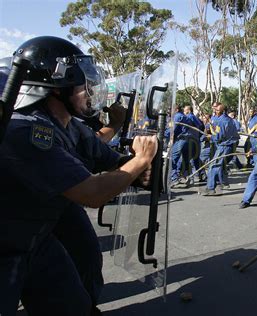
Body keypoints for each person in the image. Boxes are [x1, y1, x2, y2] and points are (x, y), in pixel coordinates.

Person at [0, 36, 157, 315]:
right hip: (6, 246)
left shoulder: (71, 126)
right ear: (57, 89)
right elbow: (92, 193)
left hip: (37, 237)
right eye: (82, 85)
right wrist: (141, 160)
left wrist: (138, 169)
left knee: (74, 304)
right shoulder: (26, 131)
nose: (89, 91)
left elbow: (109, 159)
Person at [201, 102, 239, 196]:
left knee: (214, 165)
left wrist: (210, 137)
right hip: (220, 144)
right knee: (220, 165)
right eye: (214, 109)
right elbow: (210, 126)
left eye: (217, 110)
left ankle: (210, 188)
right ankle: (224, 183)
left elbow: (218, 136)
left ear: (223, 111)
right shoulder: (215, 118)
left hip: (226, 145)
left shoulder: (225, 121)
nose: (215, 111)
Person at [170, 105, 191, 187]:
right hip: (188, 139)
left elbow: (173, 130)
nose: (170, 111)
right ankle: (187, 177)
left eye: (171, 109)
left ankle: (174, 179)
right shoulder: (184, 117)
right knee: (186, 160)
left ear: (176, 109)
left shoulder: (177, 116)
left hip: (181, 140)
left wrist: (164, 135)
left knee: (173, 159)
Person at [184, 104, 204, 178]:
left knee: (188, 157)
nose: (184, 112)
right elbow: (200, 126)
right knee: (195, 158)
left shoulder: (190, 117)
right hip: (195, 139)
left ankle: (188, 174)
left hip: (191, 139)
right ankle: (201, 174)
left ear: (188, 111)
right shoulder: (194, 117)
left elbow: (199, 126)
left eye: (185, 110)